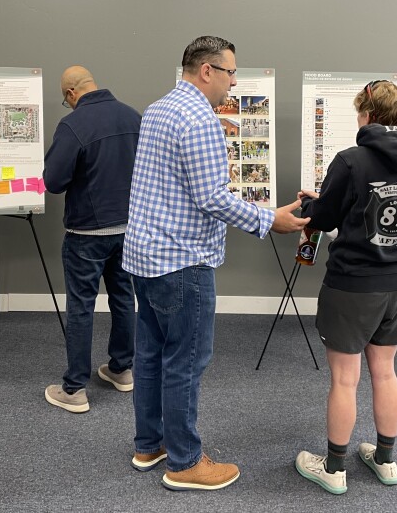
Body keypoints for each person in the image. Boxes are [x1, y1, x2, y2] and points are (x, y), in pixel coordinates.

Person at [123, 36, 309, 491]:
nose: (233, 83)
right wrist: (272, 220)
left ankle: (150, 444)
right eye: (230, 73)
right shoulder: (199, 118)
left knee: (151, 353)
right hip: (183, 261)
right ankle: (185, 462)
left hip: (144, 257)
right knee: (186, 359)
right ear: (207, 70)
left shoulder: (159, 109)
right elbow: (211, 198)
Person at [293, 81, 397, 495]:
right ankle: (385, 460)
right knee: (385, 372)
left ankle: (333, 468)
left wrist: (312, 206)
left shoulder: (351, 160)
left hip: (353, 284)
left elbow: (328, 215)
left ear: (366, 114)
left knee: (345, 379)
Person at [42, 66, 141, 413]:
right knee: (124, 300)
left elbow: (53, 181)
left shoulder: (73, 125)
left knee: (81, 308)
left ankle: (74, 389)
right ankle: (121, 369)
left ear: (71, 93)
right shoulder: (133, 117)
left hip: (86, 233)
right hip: (129, 229)